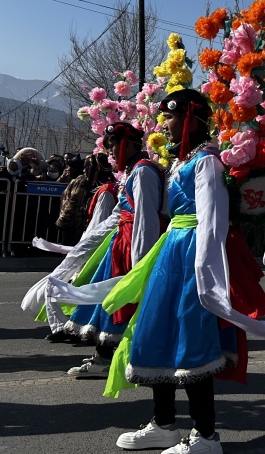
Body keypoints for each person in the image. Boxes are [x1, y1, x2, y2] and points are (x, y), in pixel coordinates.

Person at [55, 88, 265, 454]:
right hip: (171, 252)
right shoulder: (181, 162)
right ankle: (164, 422)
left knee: (191, 339)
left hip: (190, 257)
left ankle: (205, 435)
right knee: (157, 333)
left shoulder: (206, 161)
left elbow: (212, 221)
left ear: (190, 118)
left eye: (169, 118)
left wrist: (205, 274)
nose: (163, 125)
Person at [64, 123, 164, 377]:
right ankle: (106, 355)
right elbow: (118, 214)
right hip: (121, 241)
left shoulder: (143, 172)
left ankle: (108, 358)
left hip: (131, 244)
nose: (111, 151)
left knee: (118, 301)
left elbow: (146, 218)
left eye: (114, 145)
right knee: (108, 298)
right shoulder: (134, 171)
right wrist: (86, 245)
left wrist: (141, 261)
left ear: (129, 144)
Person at [22, 153, 117, 343]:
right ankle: (65, 325)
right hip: (94, 243)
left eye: (88, 169)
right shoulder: (103, 190)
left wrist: (81, 247)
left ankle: (67, 326)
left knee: (66, 282)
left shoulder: (106, 192)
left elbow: (98, 225)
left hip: (95, 246)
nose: (85, 172)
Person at [54, 156, 91, 246]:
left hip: (72, 222)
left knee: (67, 247)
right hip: (69, 222)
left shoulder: (81, 181)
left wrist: (63, 219)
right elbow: (58, 182)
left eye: (69, 168)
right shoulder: (74, 180)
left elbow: (74, 201)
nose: (67, 170)